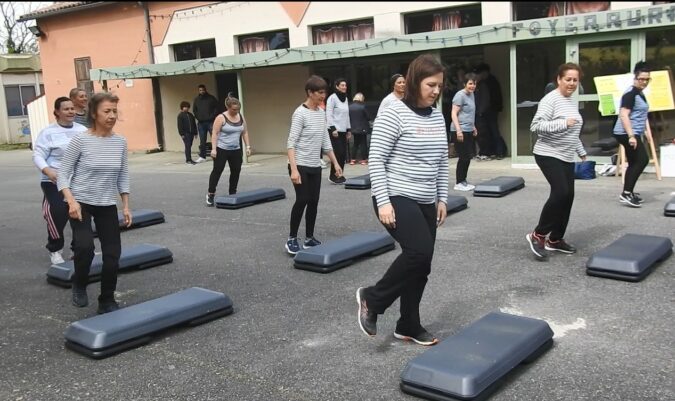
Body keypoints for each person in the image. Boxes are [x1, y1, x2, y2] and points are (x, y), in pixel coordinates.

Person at [357, 54, 449, 346]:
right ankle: (372, 299)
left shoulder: (437, 115)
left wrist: (442, 198)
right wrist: (383, 201)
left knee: (423, 264)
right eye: (430, 84)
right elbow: (376, 159)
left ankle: (408, 323)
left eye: (439, 86)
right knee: (418, 253)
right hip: (396, 194)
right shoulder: (393, 112)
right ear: (414, 82)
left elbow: (441, 160)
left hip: (425, 199)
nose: (435, 91)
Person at [57, 92, 131, 314]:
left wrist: (126, 205)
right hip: (81, 202)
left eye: (114, 111)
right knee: (85, 248)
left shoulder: (120, 142)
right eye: (106, 111)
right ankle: (79, 283)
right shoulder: (80, 140)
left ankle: (106, 299)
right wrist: (71, 201)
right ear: (94, 113)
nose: (111, 116)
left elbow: (123, 175)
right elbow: (63, 174)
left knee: (112, 255)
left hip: (106, 204)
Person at [526, 62, 587, 261]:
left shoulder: (571, 101)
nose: (571, 83)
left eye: (575, 80)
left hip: (567, 155)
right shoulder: (550, 100)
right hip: (548, 153)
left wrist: (581, 151)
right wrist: (562, 123)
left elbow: (573, 130)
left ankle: (555, 239)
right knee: (560, 191)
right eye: (568, 79)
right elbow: (536, 126)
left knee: (568, 196)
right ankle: (538, 235)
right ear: (559, 79)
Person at [286, 75, 342, 255]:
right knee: (302, 199)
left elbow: (325, 141)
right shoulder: (300, 113)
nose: (323, 96)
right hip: (299, 165)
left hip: (314, 165)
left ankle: (309, 238)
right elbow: (291, 143)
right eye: (320, 92)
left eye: (324, 92)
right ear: (310, 92)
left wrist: (335, 163)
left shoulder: (321, 113)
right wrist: (294, 170)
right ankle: (292, 239)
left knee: (313, 201)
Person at [32, 97, 88, 264]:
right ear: (57, 112)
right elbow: (38, 155)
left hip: (76, 180)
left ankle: (78, 248)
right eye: (66, 109)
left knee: (81, 214)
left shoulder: (82, 130)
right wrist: (47, 170)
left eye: (72, 109)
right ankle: (55, 249)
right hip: (53, 180)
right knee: (57, 212)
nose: (71, 112)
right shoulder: (48, 132)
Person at [613, 61, 653, 208]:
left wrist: (646, 132)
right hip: (625, 132)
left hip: (633, 131)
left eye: (647, 79)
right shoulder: (630, 94)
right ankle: (626, 193)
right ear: (635, 78)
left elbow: (640, 115)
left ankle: (628, 192)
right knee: (642, 160)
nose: (644, 82)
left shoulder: (639, 93)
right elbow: (624, 115)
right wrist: (631, 136)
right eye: (641, 79)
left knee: (635, 161)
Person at [205, 95, 252, 206]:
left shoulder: (240, 117)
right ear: (228, 108)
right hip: (222, 149)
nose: (236, 111)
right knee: (218, 170)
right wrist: (214, 149)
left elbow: (244, 132)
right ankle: (211, 193)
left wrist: (248, 146)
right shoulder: (221, 117)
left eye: (237, 109)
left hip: (235, 149)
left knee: (236, 171)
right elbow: (215, 134)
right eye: (234, 109)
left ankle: (232, 193)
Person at [450, 72, 478, 191]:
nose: (473, 86)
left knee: (468, 156)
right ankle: (458, 182)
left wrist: (474, 127)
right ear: (464, 84)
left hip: (468, 129)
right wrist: (458, 131)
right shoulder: (459, 95)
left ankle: (463, 180)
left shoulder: (471, 95)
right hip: (459, 130)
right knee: (463, 156)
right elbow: (454, 113)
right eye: (470, 83)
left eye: (475, 84)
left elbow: (469, 113)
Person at [474, 63, 506, 160]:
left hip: (491, 110)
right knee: (490, 131)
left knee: (493, 130)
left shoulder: (489, 82)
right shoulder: (488, 81)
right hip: (490, 110)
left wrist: (482, 111)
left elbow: (488, 99)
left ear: (485, 72)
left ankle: (500, 151)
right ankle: (494, 151)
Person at [326, 78, 351, 184]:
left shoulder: (345, 99)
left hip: (343, 130)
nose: (344, 87)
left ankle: (339, 174)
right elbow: (329, 113)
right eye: (342, 85)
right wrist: (333, 128)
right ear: (337, 86)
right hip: (334, 130)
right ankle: (333, 175)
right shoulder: (332, 98)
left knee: (343, 154)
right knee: (338, 153)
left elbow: (347, 115)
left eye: (345, 85)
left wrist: (348, 129)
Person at [193, 84, 219, 163]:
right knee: (202, 140)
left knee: (214, 138)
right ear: (198, 91)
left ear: (205, 90)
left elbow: (217, 108)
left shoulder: (211, 98)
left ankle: (217, 154)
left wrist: (212, 117)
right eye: (200, 90)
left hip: (210, 122)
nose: (202, 91)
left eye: (203, 90)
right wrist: (198, 118)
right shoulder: (196, 99)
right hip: (201, 123)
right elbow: (195, 110)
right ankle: (202, 156)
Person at [348, 93, 371, 165]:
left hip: (353, 128)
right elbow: (368, 117)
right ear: (361, 98)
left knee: (355, 143)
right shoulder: (363, 106)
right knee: (363, 143)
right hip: (362, 128)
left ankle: (353, 159)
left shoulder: (349, 107)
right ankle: (364, 159)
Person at [176, 101, 198, 165]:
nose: (186, 108)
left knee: (189, 145)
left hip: (191, 133)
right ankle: (188, 159)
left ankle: (190, 159)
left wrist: (195, 133)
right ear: (182, 108)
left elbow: (194, 124)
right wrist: (182, 134)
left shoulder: (191, 115)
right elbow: (179, 125)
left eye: (187, 107)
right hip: (185, 133)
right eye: (185, 107)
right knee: (187, 146)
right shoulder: (180, 116)